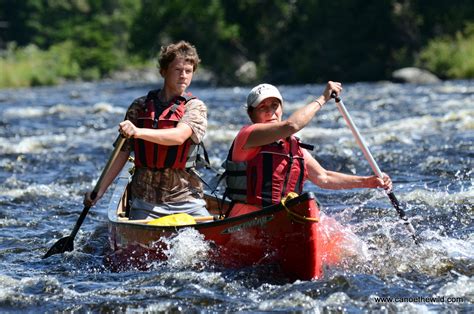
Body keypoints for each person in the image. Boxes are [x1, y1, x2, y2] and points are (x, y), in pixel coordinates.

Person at [223, 82, 392, 217]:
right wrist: (323, 98)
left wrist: (368, 182)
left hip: (282, 216)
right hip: (246, 220)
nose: (270, 112)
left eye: (275, 105)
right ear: (252, 115)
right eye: (263, 108)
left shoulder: (293, 147)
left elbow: (323, 177)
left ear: (281, 109)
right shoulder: (248, 135)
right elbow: (293, 125)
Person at [84, 40, 210, 219]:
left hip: (186, 199)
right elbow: (122, 153)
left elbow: (179, 136)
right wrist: (99, 191)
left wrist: (138, 132)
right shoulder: (139, 107)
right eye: (178, 70)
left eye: (188, 71)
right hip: (145, 200)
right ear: (163, 71)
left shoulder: (195, 107)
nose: (183, 76)